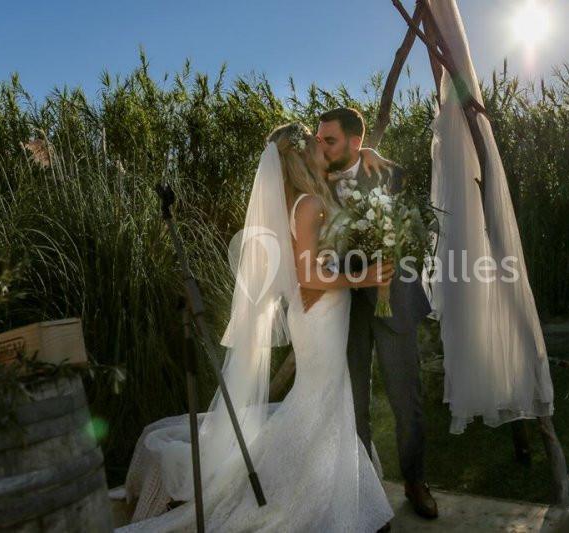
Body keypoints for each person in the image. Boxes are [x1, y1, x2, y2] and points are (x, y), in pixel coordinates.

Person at [118, 122, 398, 532]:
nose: (322, 146)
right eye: (315, 143)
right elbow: (308, 276)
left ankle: (349, 497)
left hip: (322, 315)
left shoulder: (300, 200)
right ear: (301, 155)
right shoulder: (307, 205)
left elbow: (345, 177)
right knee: (319, 404)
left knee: (328, 403)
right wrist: (367, 275)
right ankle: (309, 500)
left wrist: (368, 153)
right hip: (320, 316)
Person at [316, 107, 438, 520]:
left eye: (328, 139)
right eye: (318, 139)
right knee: (354, 403)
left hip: (393, 297)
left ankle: (415, 481)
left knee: (407, 399)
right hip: (345, 305)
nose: (320, 146)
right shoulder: (315, 179)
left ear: (353, 142)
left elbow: (410, 230)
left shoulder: (388, 173)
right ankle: (362, 492)